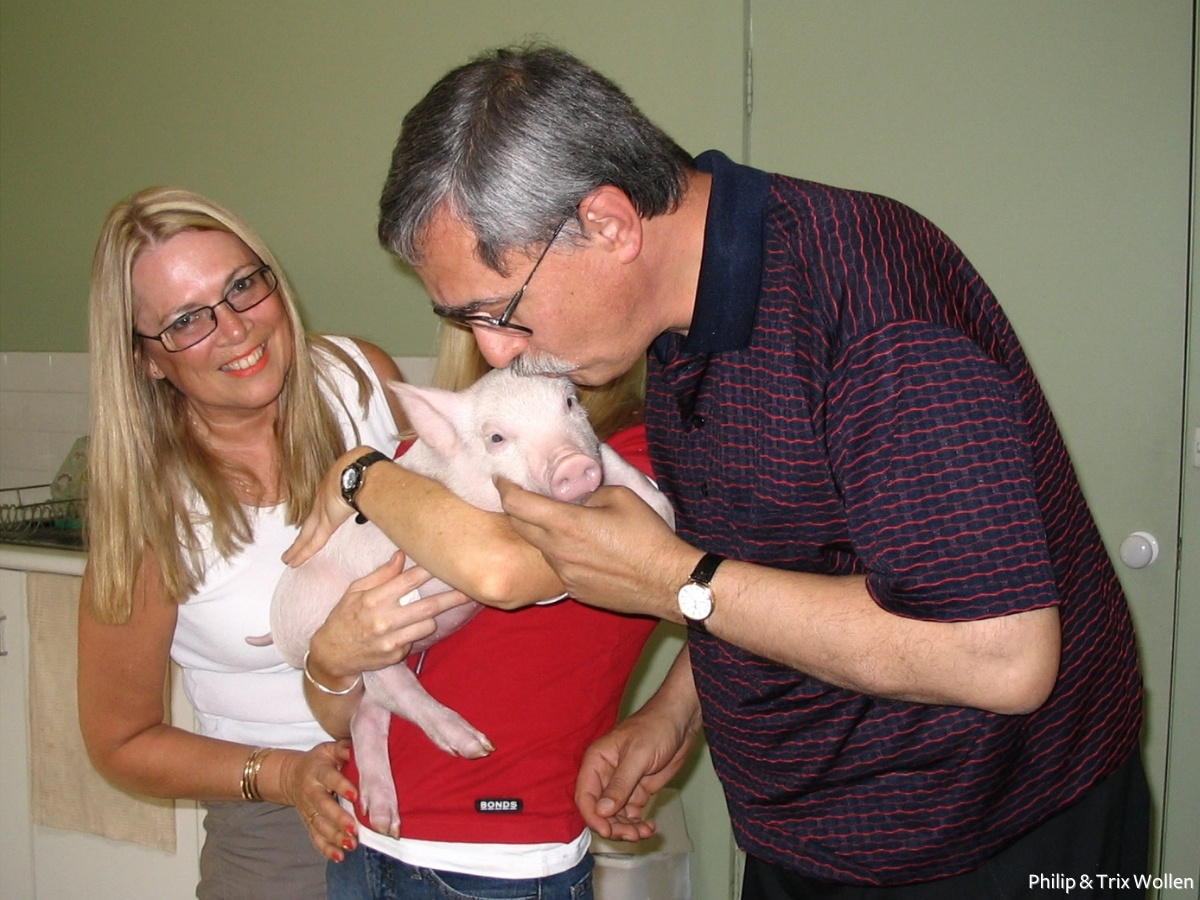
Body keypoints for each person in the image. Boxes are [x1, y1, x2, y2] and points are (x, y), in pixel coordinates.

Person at [368, 45, 1148, 898]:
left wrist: (672, 583)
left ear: (610, 224)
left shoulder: (875, 309)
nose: (494, 353)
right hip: (802, 832)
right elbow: (783, 560)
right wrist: (675, 711)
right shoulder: (669, 317)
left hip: (987, 839)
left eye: (499, 309)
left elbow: (1001, 656)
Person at [77, 186, 463, 900]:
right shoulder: (151, 512)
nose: (233, 328)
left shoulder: (361, 381)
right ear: (146, 359)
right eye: (186, 320)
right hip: (285, 828)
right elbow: (120, 742)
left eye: (241, 286)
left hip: (447, 773)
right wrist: (282, 775)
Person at [291, 321, 661, 900]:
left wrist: (359, 471)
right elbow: (336, 709)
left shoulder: (643, 456)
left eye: (516, 301)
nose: (501, 340)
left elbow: (499, 571)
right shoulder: (419, 454)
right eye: (477, 312)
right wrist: (330, 661)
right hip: (364, 838)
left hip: (502, 859)